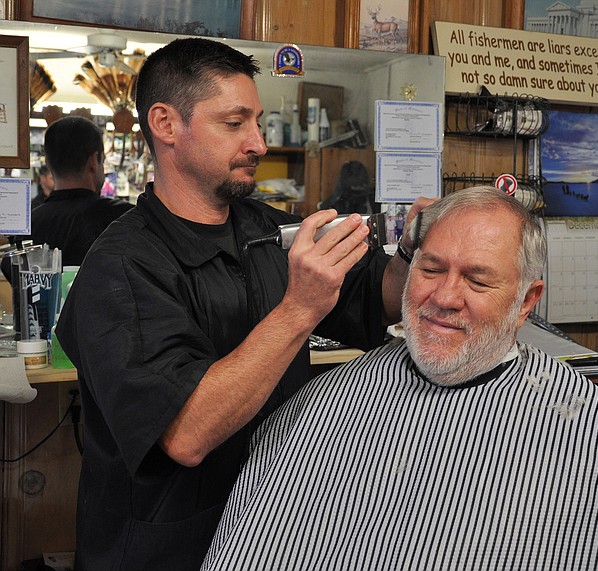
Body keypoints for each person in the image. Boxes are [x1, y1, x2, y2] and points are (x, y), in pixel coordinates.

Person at [55, 37, 428, 570]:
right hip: (168, 547)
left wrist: (414, 250)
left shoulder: (269, 229)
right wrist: (299, 310)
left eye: (257, 122)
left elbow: (383, 299)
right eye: (234, 124)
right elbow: (186, 432)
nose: (258, 142)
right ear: (165, 124)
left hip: (275, 531)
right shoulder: (120, 269)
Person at [202, 187, 598, 571]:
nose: (445, 297)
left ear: (527, 300)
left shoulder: (587, 427)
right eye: (430, 269)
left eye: (477, 280)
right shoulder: (318, 409)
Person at [1, 117, 134, 280]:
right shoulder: (125, 218)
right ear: (94, 161)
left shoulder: (29, 227)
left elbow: (11, 270)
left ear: (48, 163)